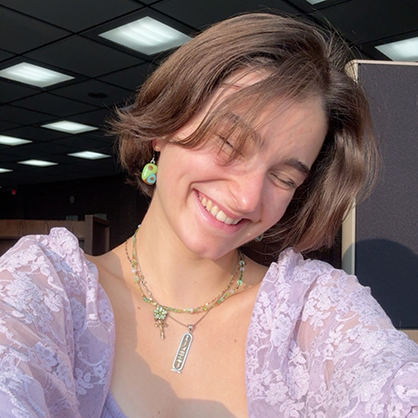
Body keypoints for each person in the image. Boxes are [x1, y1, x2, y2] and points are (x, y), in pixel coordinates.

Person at [0, 12, 417, 418]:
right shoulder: (46, 288)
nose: (247, 198)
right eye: (230, 143)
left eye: (284, 178)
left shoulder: (311, 312)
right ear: (165, 126)